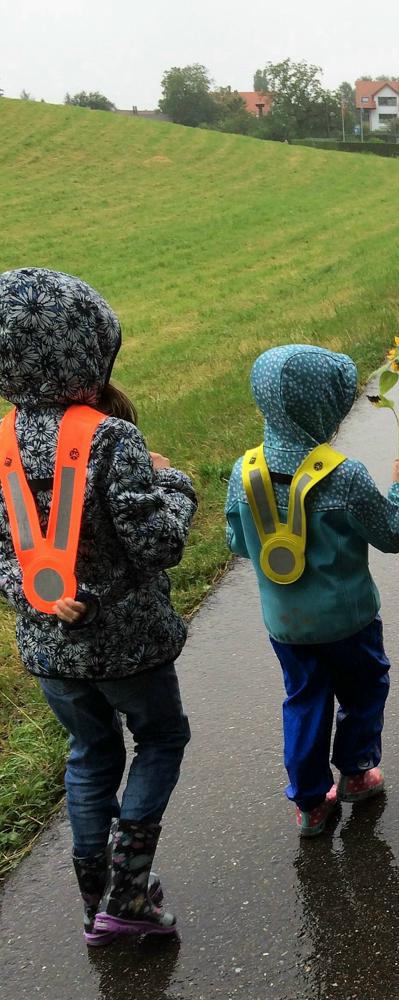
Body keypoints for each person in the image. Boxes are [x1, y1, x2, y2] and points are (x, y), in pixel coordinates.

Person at [0, 268, 197, 944]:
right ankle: (128, 893)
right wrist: (173, 482)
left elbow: (7, 556)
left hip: (50, 648)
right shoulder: (111, 438)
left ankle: (97, 902)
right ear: (92, 348)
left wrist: (38, 596)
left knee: (89, 753)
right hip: (128, 644)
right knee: (162, 737)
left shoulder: (1, 442)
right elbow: (157, 545)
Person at [225, 344, 399, 836]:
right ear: (323, 408)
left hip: (287, 625)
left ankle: (311, 803)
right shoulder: (345, 474)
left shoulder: (243, 473)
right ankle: (356, 772)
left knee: (305, 701)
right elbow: (394, 535)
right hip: (349, 621)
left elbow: (238, 543)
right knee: (365, 687)